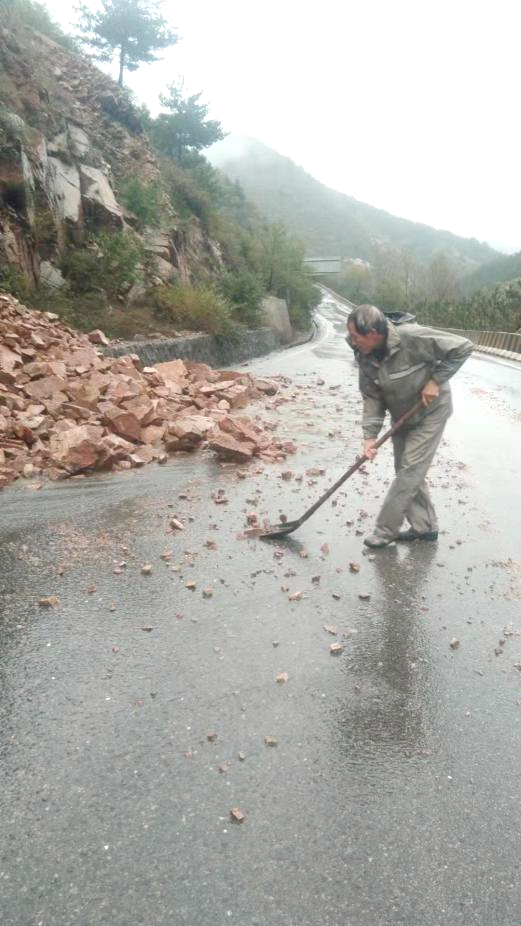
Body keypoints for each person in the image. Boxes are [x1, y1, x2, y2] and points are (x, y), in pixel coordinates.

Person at [346, 304, 473, 549]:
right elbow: (372, 396)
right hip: (402, 414)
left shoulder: (411, 337)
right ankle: (424, 528)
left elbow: (463, 346)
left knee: (410, 470)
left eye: (355, 335)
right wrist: (369, 437)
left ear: (373, 332)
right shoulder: (364, 355)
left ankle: (385, 530)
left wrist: (435, 381)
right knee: (407, 471)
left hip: (430, 412)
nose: (352, 340)